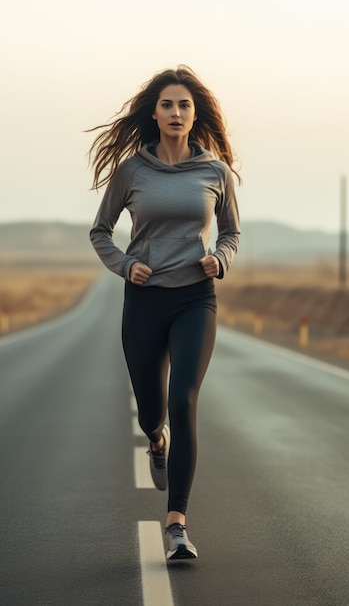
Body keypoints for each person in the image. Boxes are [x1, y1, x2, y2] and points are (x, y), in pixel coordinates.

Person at [88, 65, 241, 560]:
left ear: (195, 115)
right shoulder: (132, 170)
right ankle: (157, 441)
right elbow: (100, 231)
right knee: (153, 412)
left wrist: (219, 259)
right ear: (154, 114)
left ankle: (177, 523)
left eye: (185, 105)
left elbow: (231, 232)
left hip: (196, 298)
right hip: (145, 301)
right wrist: (126, 264)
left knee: (184, 399)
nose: (176, 113)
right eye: (168, 105)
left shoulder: (214, 172)